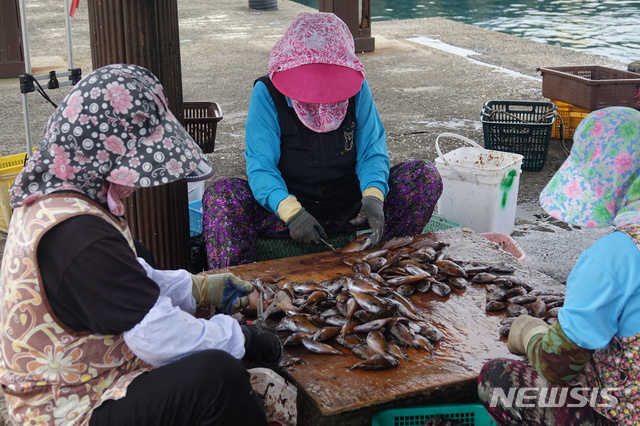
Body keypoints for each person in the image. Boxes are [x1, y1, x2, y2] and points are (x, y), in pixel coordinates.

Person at [0, 64, 283, 426]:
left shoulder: (62, 196)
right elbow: (158, 337)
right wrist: (242, 337)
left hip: (89, 376)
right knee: (217, 378)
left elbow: (128, 276)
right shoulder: (78, 236)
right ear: (104, 155)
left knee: (143, 253)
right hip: (65, 408)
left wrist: (198, 289)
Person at [202, 12, 443, 269]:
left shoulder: (357, 88)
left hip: (353, 209)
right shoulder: (267, 92)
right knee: (222, 195)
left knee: (424, 176)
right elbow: (261, 166)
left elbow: (372, 151)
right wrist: (291, 213)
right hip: (286, 214)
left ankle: (384, 264)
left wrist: (373, 198)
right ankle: (236, 287)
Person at [477, 106, 640, 425]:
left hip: (625, 415)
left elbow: (557, 366)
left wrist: (531, 333)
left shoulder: (615, 255)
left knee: (497, 379)